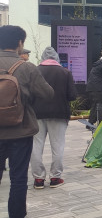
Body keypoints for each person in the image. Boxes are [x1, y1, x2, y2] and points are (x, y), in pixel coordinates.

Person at [0, 25, 54, 218]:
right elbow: (47, 94)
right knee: (18, 179)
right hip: (19, 131)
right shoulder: (26, 67)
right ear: (19, 43)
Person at [31, 47, 77, 189]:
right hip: (59, 114)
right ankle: (55, 177)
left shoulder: (34, 71)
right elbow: (72, 96)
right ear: (57, 58)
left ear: (43, 58)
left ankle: (38, 179)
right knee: (57, 146)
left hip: (37, 113)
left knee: (36, 146)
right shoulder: (65, 72)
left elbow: (29, 94)